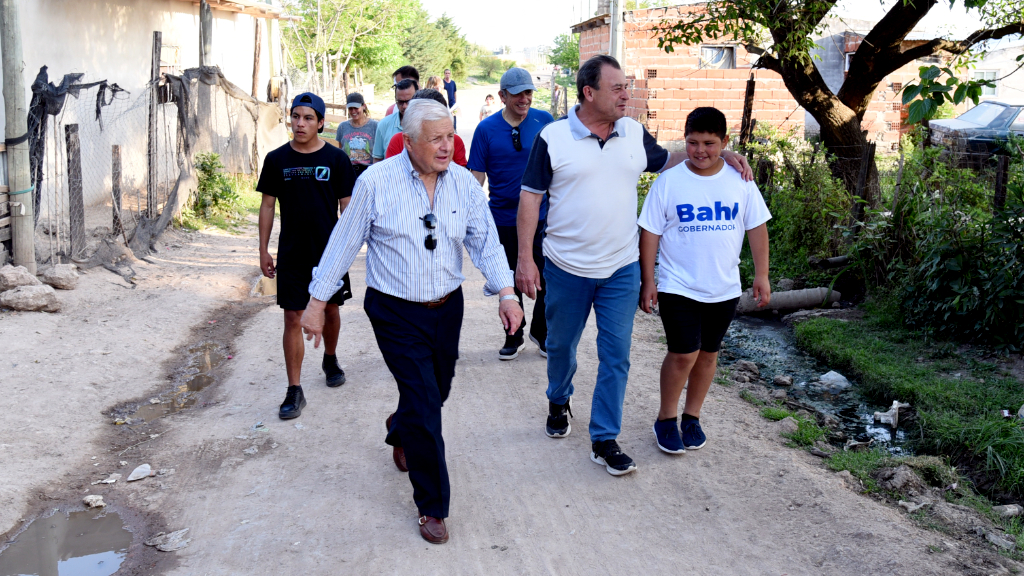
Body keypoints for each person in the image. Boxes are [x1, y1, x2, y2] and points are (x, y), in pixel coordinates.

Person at [516, 55, 752, 476]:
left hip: (620, 268)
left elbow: (671, 159)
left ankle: (604, 438)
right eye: (618, 88)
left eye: (626, 86)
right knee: (562, 347)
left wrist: (723, 154)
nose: (627, 94)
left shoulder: (632, 134)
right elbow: (530, 198)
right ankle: (558, 397)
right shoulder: (552, 138)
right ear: (590, 93)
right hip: (566, 267)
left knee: (616, 356)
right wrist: (525, 260)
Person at [300, 99, 523, 544]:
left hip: (447, 306)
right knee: (424, 404)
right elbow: (343, 242)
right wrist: (315, 303)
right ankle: (433, 506)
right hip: (394, 310)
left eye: (450, 136)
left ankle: (399, 426)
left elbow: (485, 242)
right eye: (437, 138)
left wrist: (506, 291)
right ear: (409, 140)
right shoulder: (376, 183)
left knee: (435, 392)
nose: (448, 146)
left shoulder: (462, 183)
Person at [639, 107, 771, 454]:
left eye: (710, 143)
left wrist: (762, 274)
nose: (701, 151)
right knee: (684, 353)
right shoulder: (669, 181)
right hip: (676, 284)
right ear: (685, 140)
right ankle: (666, 419)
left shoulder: (740, 180)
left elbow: (757, 227)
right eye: (693, 142)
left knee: (709, 355)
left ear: (725, 142)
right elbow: (649, 232)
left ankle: (691, 417)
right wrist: (648, 280)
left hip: (723, 286)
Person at [257, 92, 356, 420]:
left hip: (329, 252)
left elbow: (347, 208)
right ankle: (294, 390)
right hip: (292, 253)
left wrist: (347, 249)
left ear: (321, 123)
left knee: (329, 310)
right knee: (292, 317)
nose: (300, 123)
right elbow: (268, 205)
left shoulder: (337, 160)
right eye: (296, 117)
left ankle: (330, 357)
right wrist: (262, 249)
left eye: (308, 118)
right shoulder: (276, 160)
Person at [467, 68, 553, 360]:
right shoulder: (486, 130)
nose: (524, 98)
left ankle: (541, 332)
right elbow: (475, 179)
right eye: (517, 93)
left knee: (546, 277)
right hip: (502, 219)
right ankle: (513, 334)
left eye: (528, 92)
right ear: (503, 96)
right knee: (508, 278)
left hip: (542, 218)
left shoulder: (545, 121)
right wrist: (468, 216)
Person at [385, 89, 467, 167]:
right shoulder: (398, 141)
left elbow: (463, 177)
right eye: (435, 139)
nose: (447, 147)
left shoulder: (455, 141)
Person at [373, 78, 418, 162]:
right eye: (400, 102)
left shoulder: (427, 124)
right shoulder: (384, 125)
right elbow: (377, 160)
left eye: (408, 101)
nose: (404, 106)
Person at [337, 92, 377, 178]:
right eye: (350, 108)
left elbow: (379, 153)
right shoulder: (342, 127)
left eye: (356, 108)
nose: (353, 111)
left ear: (364, 106)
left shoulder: (375, 126)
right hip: (348, 171)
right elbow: (341, 152)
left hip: (368, 171)